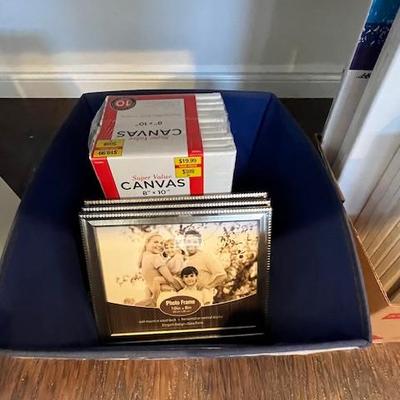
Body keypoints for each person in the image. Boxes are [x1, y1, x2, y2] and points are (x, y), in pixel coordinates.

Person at [135, 233, 181, 306]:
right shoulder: (155, 257)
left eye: (161, 243)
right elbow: (171, 280)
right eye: (156, 242)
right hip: (166, 295)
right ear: (147, 243)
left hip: (157, 295)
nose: (159, 245)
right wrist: (183, 290)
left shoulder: (144, 258)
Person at [183, 229, 227, 304]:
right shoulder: (185, 259)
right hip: (189, 298)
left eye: (195, 242)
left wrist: (208, 286)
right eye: (189, 241)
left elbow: (222, 275)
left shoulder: (206, 256)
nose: (191, 244)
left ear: (199, 243)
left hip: (204, 299)